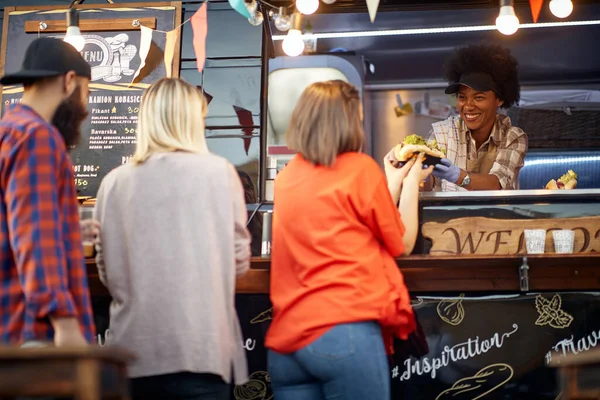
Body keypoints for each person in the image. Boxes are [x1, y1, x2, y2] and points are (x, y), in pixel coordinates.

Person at [265, 80, 432, 400]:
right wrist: (410, 182)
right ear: (345, 123)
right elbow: (401, 243)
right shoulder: (359, 170)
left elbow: (351, 220)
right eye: (356, 118)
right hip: (344, 333)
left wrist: (392, 182)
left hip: (287, 342)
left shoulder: (286, 178)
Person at [94, 78, 251, 400]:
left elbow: (106, 269)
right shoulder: (220, 173)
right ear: (193, 120)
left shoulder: (113, 183)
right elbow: (238, 262)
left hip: (131, 354)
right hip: (201, 349)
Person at [0, 38, 96, 347]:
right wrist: (65, 323)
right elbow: (34, 235)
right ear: (69, 82)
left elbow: (14, 224)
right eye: (87, 92)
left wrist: (67, 228)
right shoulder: (38, 137)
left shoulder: (8, 131)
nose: (86, 105)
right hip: (35, 333)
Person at [421, 43, 528, 191]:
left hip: (497, 214)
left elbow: (497, 184)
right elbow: (427, 184)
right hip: (450, 214)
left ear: (500, 99)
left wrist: (456, 175)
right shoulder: (443, 133)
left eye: (478, 98)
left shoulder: (513, 137)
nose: (468, 106)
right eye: (462, 97)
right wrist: (420, 174)